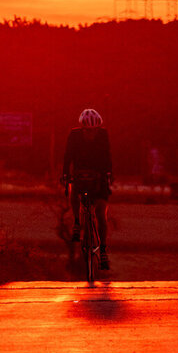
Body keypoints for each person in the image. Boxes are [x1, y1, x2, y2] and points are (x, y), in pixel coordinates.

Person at [61, 107, 112, 270]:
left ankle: (103, 250)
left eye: (94, 131)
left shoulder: (103, 136)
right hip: (80, 173)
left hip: (99, 174)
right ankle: (77, 221)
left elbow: (108, 157)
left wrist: (109, 175)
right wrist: (64, 174)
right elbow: (67, 156)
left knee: (101, 214)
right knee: (73, 190)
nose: (91, 134)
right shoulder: (74, 135)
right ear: (82, 129)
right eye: (88, 131)